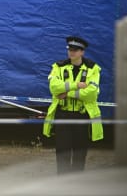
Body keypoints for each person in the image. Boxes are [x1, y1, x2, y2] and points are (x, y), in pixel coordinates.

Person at [42, 36, 103, 175]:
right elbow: (54, 88)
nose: (72, 52)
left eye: (75, 50)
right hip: (63, 114)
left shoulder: (93, 68)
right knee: (62, 150)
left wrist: (67, 93)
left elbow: (91, 93)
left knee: (80, 151)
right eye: (70, 49)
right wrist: (76, 86)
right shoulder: (58, 66)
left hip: (82, 115)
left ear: (82, 52)